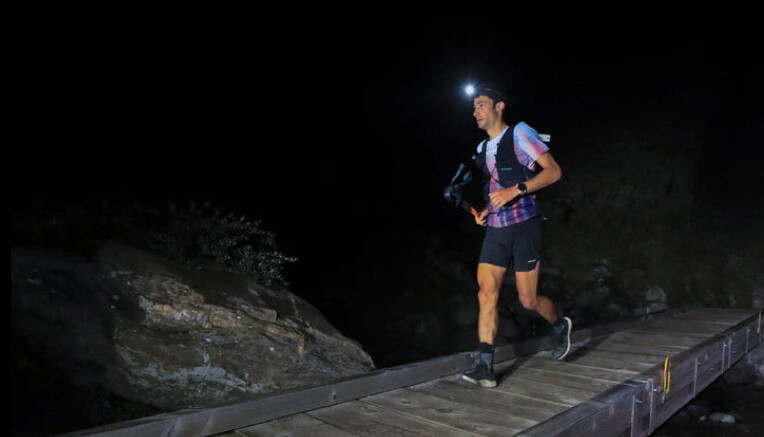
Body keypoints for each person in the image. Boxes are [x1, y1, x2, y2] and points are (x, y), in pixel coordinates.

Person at [460, 83, 572, 388]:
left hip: (525, 226)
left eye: (481, 105)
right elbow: (496, 188)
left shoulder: (521, 133)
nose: (475, 112)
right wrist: (486, 210)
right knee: (486, 294)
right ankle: (485, 366)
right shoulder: (483, 149)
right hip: (496, 229)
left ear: (499, 107)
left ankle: (559, 325)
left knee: (528, 299)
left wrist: (515, 190)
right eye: (473, 107)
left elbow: (553, 172)